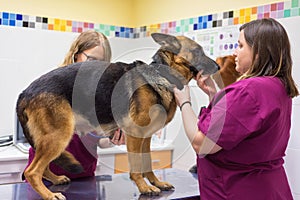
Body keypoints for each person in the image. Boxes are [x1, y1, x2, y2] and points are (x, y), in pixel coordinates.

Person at [174, 18, 299, 200]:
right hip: (271, 190)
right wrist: (213, 94)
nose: (234, 53)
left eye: (240, 46)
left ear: (257, 52)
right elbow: (236, 127)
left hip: (238, 190)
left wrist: (184, 102)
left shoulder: (248, 91)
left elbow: (201, 144)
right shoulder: (277, 87)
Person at [25, 30, 125, 179]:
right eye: (91, 60)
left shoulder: (101, 94)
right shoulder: (52, 88)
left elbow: (100, 141)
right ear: (76, 54)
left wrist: (114, 138)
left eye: (102, 62)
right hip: (46, 178)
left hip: (83, 177)